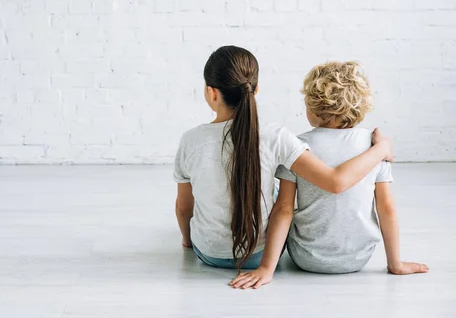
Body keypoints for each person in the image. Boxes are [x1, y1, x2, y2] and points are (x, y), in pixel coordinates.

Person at [173, 47, 394, 286]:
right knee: (278, 192)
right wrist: (381, 149)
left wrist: (188, 241)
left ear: (211, 92)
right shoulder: (276, 136)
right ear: (255, 90)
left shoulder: (190, 140)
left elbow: (184, 208)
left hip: (208, 254)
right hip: (258, 255)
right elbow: (334, 181)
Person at [231, 61, 428, 290]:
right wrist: (395, 263)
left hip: (306, 258)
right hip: (358, 259)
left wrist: (266, 268)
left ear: (313, 108)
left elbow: (283, 209)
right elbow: (386, 208)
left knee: (278, 196)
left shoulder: (299, 146)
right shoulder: (374, 146)